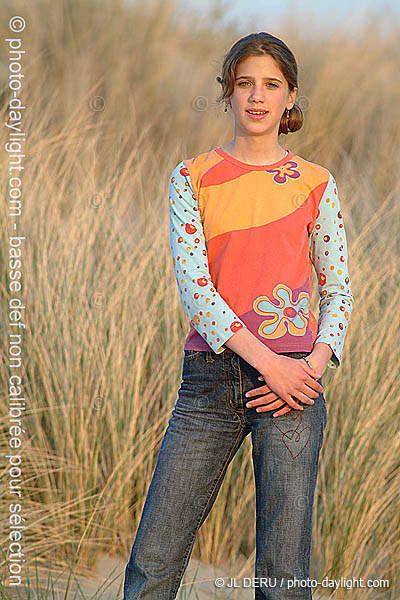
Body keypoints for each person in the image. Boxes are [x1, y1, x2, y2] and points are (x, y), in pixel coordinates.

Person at [123, 31, 354, 599]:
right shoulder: (192, 177)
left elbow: (339, 290)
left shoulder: (316, 184)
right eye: (244, 83)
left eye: (271, 85)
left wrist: (311, 367)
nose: (257, 95)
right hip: (209, 384)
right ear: (226, 93)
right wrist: (270, 364)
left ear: (290, 97)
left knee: (282, 577)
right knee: (153, 561)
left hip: (296, 386)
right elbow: (197, 293)